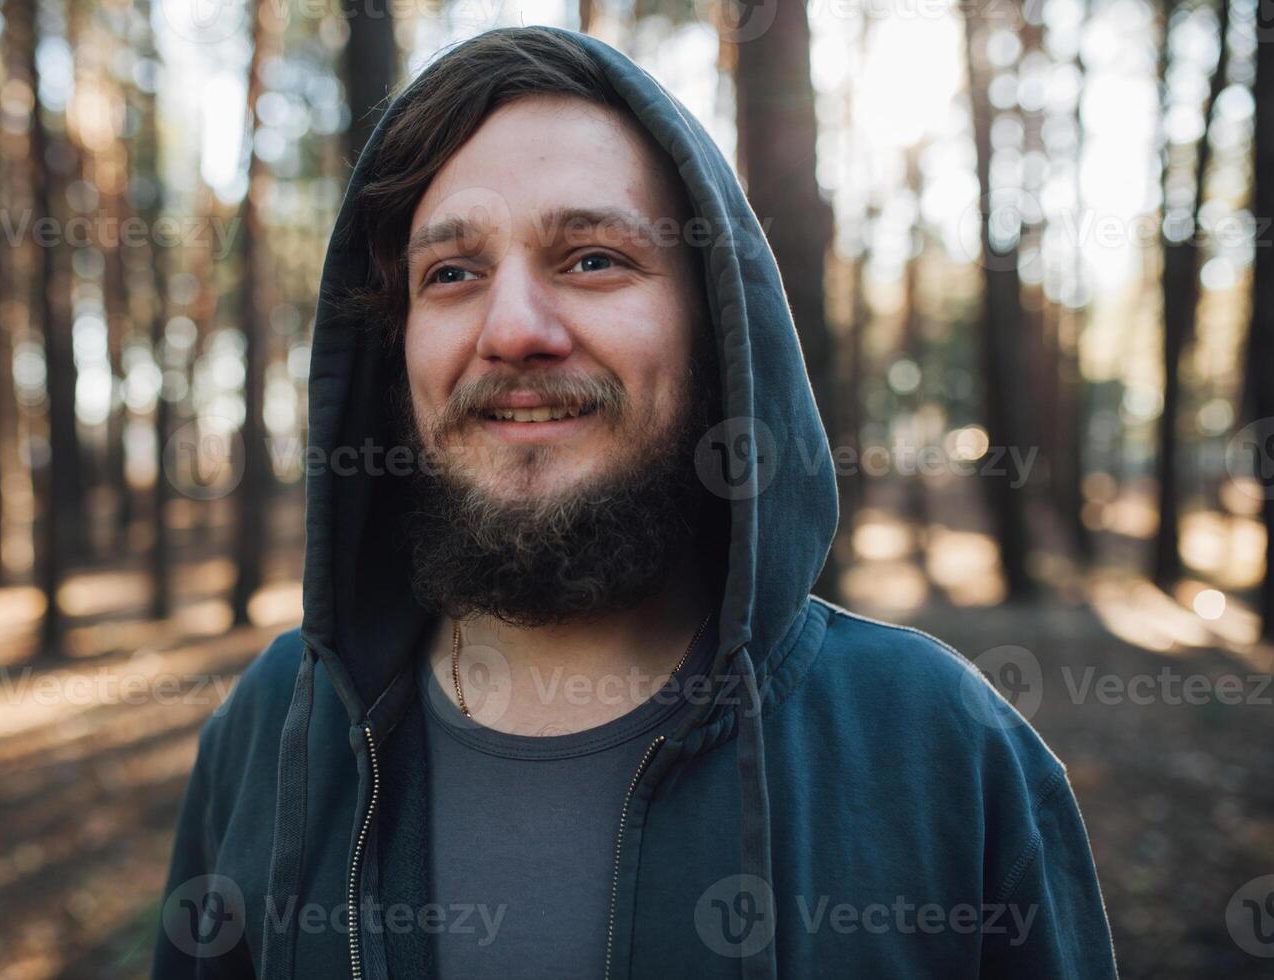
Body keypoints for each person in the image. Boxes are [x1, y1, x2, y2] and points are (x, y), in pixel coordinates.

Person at [152, 26, 1117, 980]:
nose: (514, 330)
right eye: (453, 274)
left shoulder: (940, 748)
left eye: (592, 259)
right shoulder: (274, 729)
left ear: (716, 327)